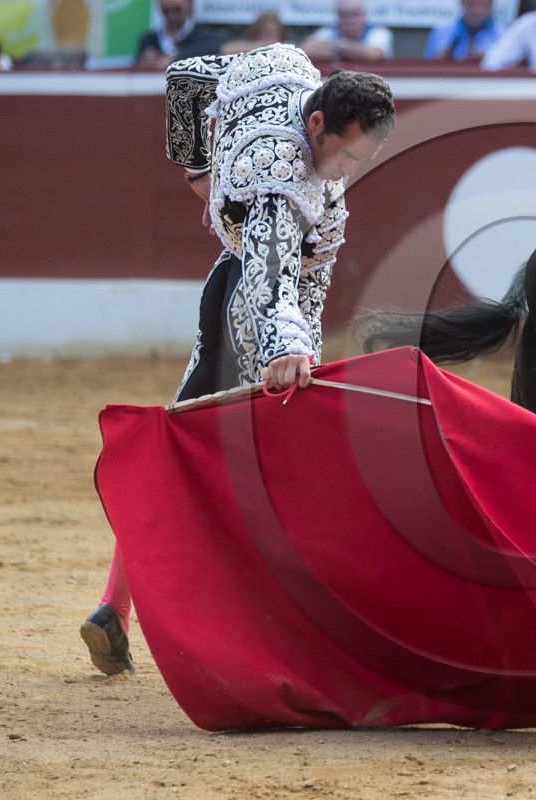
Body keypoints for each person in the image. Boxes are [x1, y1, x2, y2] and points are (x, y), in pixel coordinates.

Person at [80, 43, 396, 677]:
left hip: (228, 287)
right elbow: (272, 276)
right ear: (316, 123)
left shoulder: (285, 72)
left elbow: (187, 77)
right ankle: (267, 636)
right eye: (346, 154)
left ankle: (115, 607)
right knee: (265, 474)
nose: (347, 170)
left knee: (181, 450)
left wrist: (201, 170)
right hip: (251, 309)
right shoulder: (282, 174)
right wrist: (288, 347)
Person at [136, 0, 221, 70]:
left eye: (177, 9)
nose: (172, 16)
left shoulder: (205, 36)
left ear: (189, 5)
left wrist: (175, 57)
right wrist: (145, 62)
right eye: (166, 11)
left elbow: (213, 53)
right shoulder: (149, 40)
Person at [301, 0, 393, 62]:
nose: (348, 21)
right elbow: (304, 50)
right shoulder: (327, 32)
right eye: (343, 15)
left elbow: (373, 55)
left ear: (364, 15)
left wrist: (336, 49)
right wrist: (345, 50)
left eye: (354, 14)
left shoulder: (379, 33)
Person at [424, 0, 506, 63]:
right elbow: (427, 65)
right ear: (462, 3)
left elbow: (507, 67)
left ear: (491, 5)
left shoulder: (503, 35)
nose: (476, 10)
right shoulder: (442, 31)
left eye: (482, 5)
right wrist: (439, 59)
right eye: (470, 4)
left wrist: (489, 59)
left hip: (487, 79)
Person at [221, 10, 289, 56]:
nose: (269, 36)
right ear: (256, 33)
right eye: (265, 32)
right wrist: (260, 46)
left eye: (272, 32)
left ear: (280, 33)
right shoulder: (247, 47)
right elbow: (227, 49)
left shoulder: (289, 47)